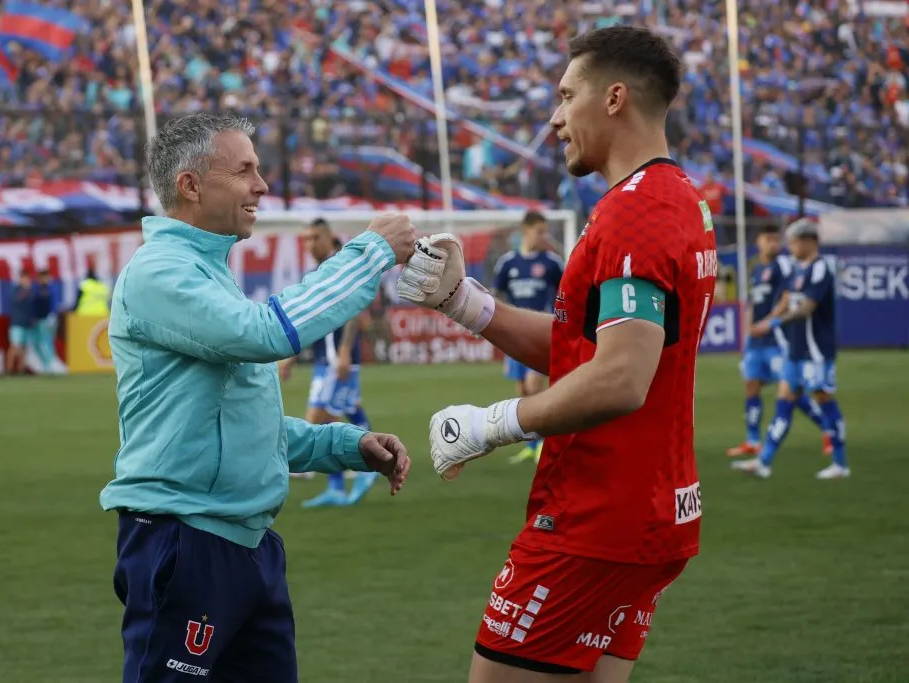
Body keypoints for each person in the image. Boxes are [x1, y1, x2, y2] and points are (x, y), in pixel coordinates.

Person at [398, 26, 714, 683]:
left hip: (596, 515)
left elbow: (622, 375)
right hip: (651, 511)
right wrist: (467, 302)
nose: (554, 116)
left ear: (614, 98)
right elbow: (586, 345)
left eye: (567, 95)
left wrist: (495, 422)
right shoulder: (674, 197)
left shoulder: (638, 211)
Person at [98, 111, 415, 683]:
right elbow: (265, 335)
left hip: (248, 547)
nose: (262, 186)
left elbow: (243, 421)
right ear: (190, 185)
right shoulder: (161, 272)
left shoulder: (209, 274)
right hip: (184, 538)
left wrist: (344, 444)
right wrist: (370, 254)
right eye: (244, 170)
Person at [731, 218, 849, 479]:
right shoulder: (797, 269)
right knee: (784, 402)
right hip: (795, 350)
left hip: (816, 350)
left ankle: (840, 463)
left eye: (794, 242)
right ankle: (763, 462)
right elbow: (786, 302)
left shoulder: (820, 269)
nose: (790, 247)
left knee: (824, 400)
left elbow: (807, 307)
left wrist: (773, 322)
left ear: (808, 241)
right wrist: (762, 323)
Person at [280, 220, 379, 507]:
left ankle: (369, 464)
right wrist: (290, 357)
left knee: (317, 418)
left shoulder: (339, 267)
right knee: (341, 414)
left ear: (328, 238)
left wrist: (346, 350)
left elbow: (354, 314)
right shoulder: (318, 273)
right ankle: (339, 485)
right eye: (306, 239)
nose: (310, 244)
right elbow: (312, 322)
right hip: (326, 360)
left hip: (337, 359)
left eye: (315, 238)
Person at [492, 211, 564, 465]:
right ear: (526, 230)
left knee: (535, 386)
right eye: (539, 231)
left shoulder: (551, 262)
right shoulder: (508, 263)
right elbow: (495, 295)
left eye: (545, 231)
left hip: (542, 332)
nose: (543, 237)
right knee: (523, 390)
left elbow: (567, 290)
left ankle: (545, 442)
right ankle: (533, 445)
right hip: (514, 336)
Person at [6, 270, 35, 376]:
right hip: (17, 323)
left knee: (24, 347)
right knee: (15, 346)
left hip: (27, 323)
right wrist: (25, 291)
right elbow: (16, 301)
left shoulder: (31, 291)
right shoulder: (15, 290)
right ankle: (9, 369)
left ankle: (20, 369)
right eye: (24, 279)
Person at [30, 269, 58, 374]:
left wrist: (52, 316)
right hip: (38, 320)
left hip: (47, 319)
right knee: (38, 343)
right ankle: (46, 365)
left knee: (46, 343)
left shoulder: (50, 289)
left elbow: (53, 304)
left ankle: (51, 365)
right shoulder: (37, 288)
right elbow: (35, 305)